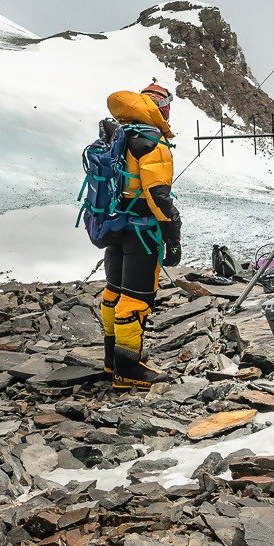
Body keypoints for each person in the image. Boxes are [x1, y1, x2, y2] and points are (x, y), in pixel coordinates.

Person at [99, 81, 181, 389]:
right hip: (142, 231)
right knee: (135, 300)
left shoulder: (118, 135)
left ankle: (112, 361)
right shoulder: (150, 141)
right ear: (160, 108)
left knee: (113, 293)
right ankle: (128, 367)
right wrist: (173, 234)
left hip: (116, 226)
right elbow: (158, 195)